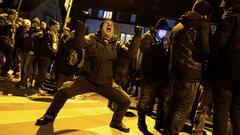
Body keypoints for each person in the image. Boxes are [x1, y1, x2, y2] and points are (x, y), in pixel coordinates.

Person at [35, 19, 131, 133]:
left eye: (112, 25)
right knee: (63, 91)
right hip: (86, 80)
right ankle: (49, 116)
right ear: (101, 28)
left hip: (106, 83)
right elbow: (79, 43)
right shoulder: (92, 38)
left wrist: (136, 39)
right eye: (106, 23)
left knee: (125, 100)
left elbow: (129, 55)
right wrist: (81, 24)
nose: (109, 24)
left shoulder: (116, 44)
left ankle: (116, 122)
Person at [166, 0, 210, 134]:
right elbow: (204, 50)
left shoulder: (178, 25)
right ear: (204, 13)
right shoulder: (201, 25)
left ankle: (168, 131)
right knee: (183, 109)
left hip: (174, 72)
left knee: (172, 106)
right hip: (190, 73)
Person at [137, 18, 170, 135]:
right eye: (162, 30)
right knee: (145, 98)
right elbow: (145, 49)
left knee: (163, 100)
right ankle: (141, 121)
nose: (164, 33)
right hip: (148, 74)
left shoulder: (164, 39)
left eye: (165, 31)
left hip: (161, 75)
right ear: (156, 29)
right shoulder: (147, 36)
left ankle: (159, 122)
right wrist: (161, 47)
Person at [212, 0, 240, 134]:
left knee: (221, 109)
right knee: (237, 111)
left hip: (227, 71)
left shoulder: (230, 15)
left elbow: (219, 42)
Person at [0, 9, 18, 77]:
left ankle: (4, 73)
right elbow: (1, 27)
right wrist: (10, 26)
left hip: (8, 43)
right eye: (14, 15)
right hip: (2, 42)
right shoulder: (3, 19)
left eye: (16, 16)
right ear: (10, 14)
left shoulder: (12, 22)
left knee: (9, 60)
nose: (15, 17)